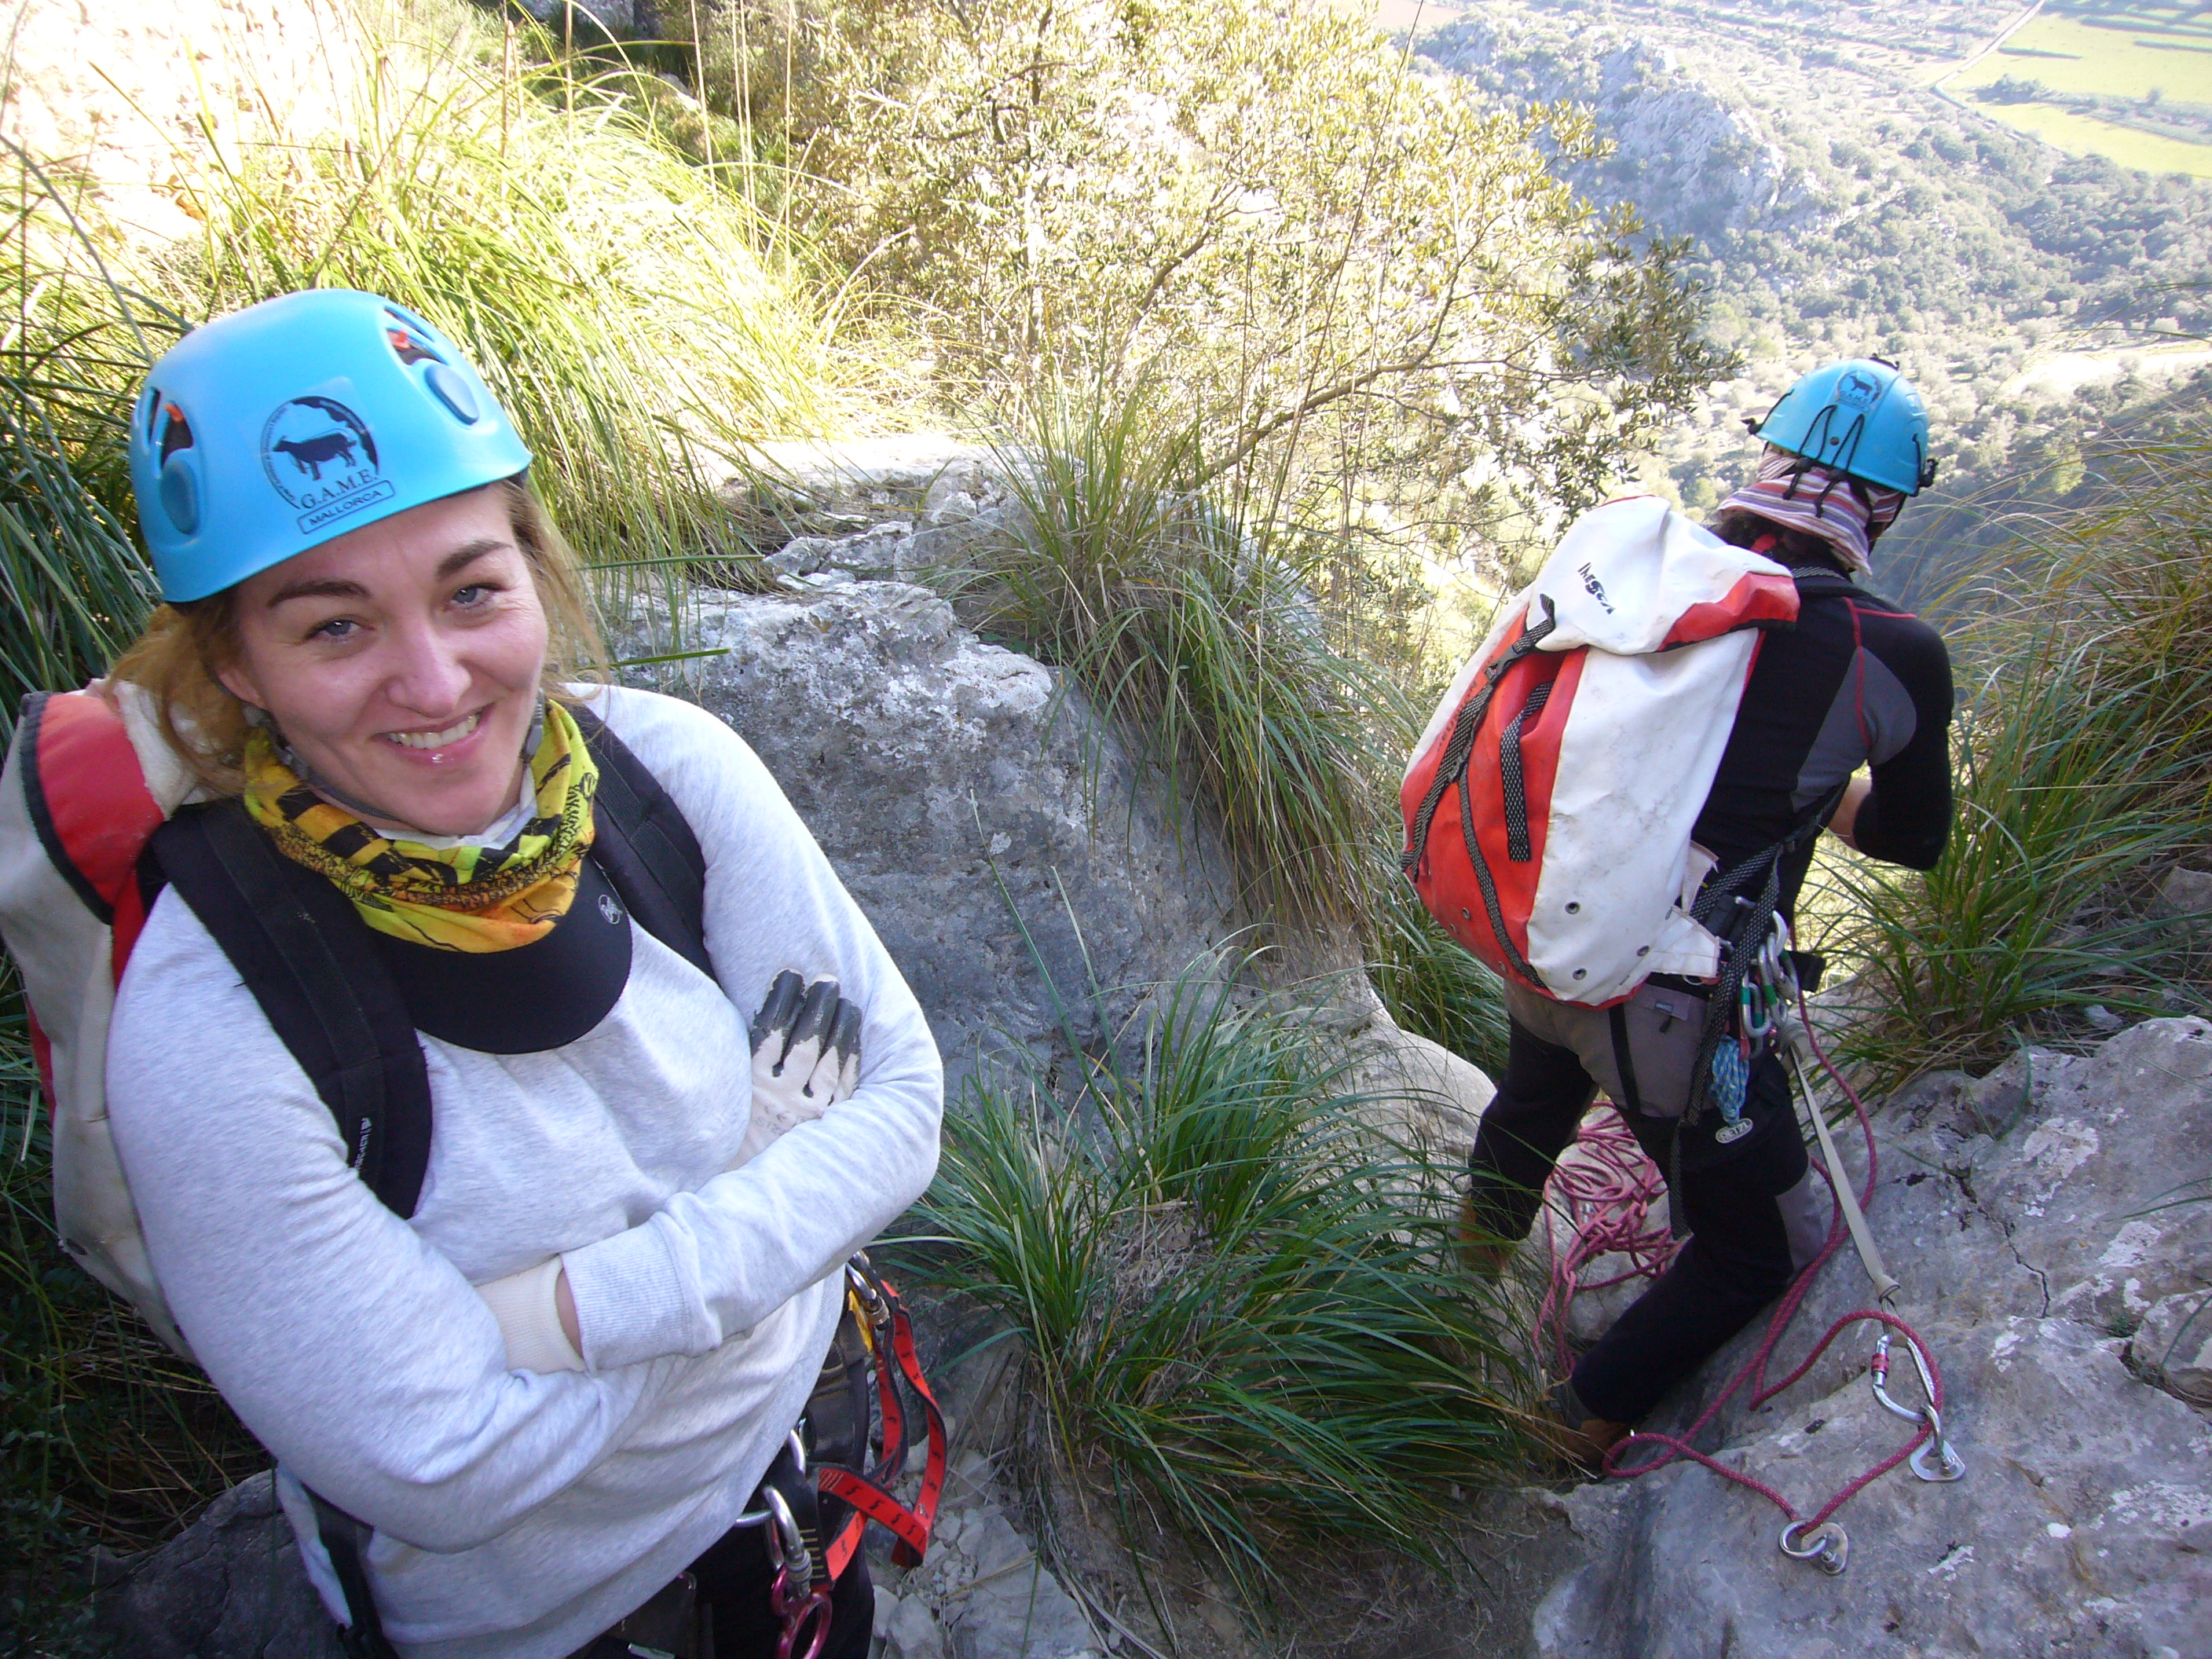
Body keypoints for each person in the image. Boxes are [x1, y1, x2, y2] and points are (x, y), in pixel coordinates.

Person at [93, 289, 943, 1654]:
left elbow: (901, 1106)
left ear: (532, 570)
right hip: (544, 1623)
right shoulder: (220, 1022)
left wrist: (554, 1315)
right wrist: (766, 1201)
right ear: (239, 665)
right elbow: (445, 1468)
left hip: (791, 1494)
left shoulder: (665, 777)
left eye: (471, 592)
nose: (435, 684)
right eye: (334, 627)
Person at [1459, 358, 1956, 1465]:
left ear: (1768, 459)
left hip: (1547, 929)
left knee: (1532, 1106)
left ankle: (1452, 1294)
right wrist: (1823, 792)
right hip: (1671, 999)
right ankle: (1558, 1440)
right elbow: (1914, 840)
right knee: (1764, 1242)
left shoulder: (1652, 576)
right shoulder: (1893, 652)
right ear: (1885, 507)